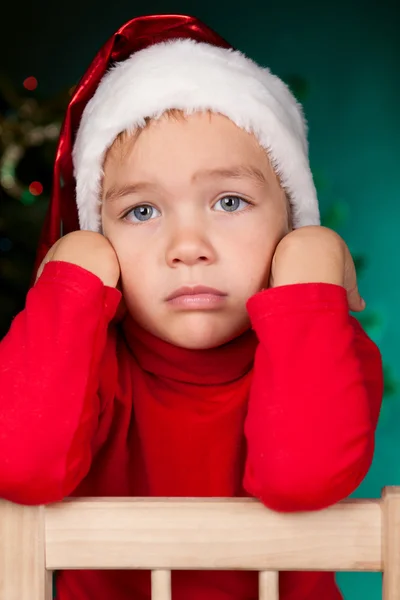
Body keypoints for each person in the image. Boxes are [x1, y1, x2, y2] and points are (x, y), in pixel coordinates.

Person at [0, 13, 383, 600]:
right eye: (141, 212)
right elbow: (19, 465)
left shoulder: (325, 341)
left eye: (229, 201)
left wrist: (308, 265)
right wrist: (73, 270)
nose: (188, 248)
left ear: (288, 218)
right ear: (101, 237)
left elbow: (299, 478)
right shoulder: (88, 358)